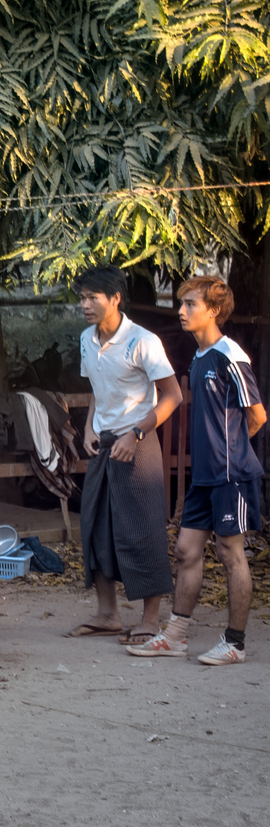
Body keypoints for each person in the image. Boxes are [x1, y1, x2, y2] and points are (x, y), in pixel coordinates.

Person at [127, 275, 264, 666]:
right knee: (186, 551)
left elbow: (257, 416)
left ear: (214, 310)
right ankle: (176, 635)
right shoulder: (199, 356)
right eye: (181, 303)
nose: (181, 311)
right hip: (203, 478)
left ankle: (235, 643)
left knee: (230, 552)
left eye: (190, 304)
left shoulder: (230, 355)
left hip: (229, 476)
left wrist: (232, 455)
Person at [68, 267, 181, 642]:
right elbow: (99, 391)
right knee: (96, 525)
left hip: (139, 442)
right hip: (103, 441)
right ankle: (107, 614)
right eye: (82, 298)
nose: (85, 305)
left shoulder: (142, 341)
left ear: (115, 298)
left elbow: (172, 396)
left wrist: (136, 433)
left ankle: (150, 619)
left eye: (92, 298)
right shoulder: (86, 338)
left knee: (142, 529)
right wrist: (88, 428)